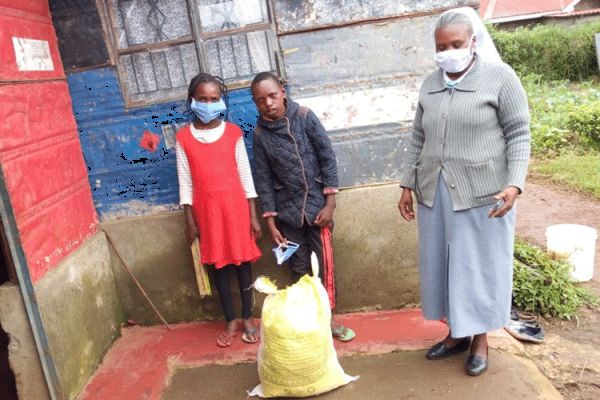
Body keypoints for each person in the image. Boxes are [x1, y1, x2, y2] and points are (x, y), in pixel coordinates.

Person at [397, 7, 530, 376]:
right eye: (442, 45)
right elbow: (417, 138)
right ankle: (455, 333)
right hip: (434, 190)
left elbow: (519, 133)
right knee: (443, 264)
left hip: (484, 193)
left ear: (473, 42)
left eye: (456, 43)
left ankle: (481, 340)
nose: (449, 50)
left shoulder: (500, 78)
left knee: (479, 268)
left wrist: (515, 183)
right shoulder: (430, 83)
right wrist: (407, 182)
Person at [250, 71, 355, 342]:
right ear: (255, 103)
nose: (268, 103)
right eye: (260, 100)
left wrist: (330, 203)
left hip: (318, 210)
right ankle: (308, 318)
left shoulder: (305, 117)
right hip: (287, 215)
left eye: (272, 96)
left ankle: (329, 318)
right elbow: (263, 178)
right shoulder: (260, 135)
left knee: (324, 265)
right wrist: (271, 222)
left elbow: (327, 157)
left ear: (283, 91)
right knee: (297, 268)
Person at [176, 73, 262, 348]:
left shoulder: (233, 133)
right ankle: (230, 319)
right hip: (206, 212)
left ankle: (248, 317)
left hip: (235, 208)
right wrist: (189, 221)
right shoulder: (183, 138)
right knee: (219, 267)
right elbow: (185, 180)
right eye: (203, 99)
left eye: (214, 99)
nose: (209, 104)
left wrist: (253, 214)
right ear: (192, 101)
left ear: (221, 101)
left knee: (242, 264)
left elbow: (246, 175)